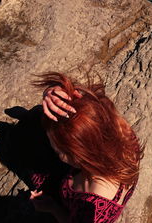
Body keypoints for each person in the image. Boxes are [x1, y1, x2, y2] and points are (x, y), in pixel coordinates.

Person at [29, 73, 144, 223]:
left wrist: (52, 208)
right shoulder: (124, 137)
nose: (55, 152)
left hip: (66, 200)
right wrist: (54, 92)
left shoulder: (93, 211)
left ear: (80, 156)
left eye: (58, 151)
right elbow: (96, 109)